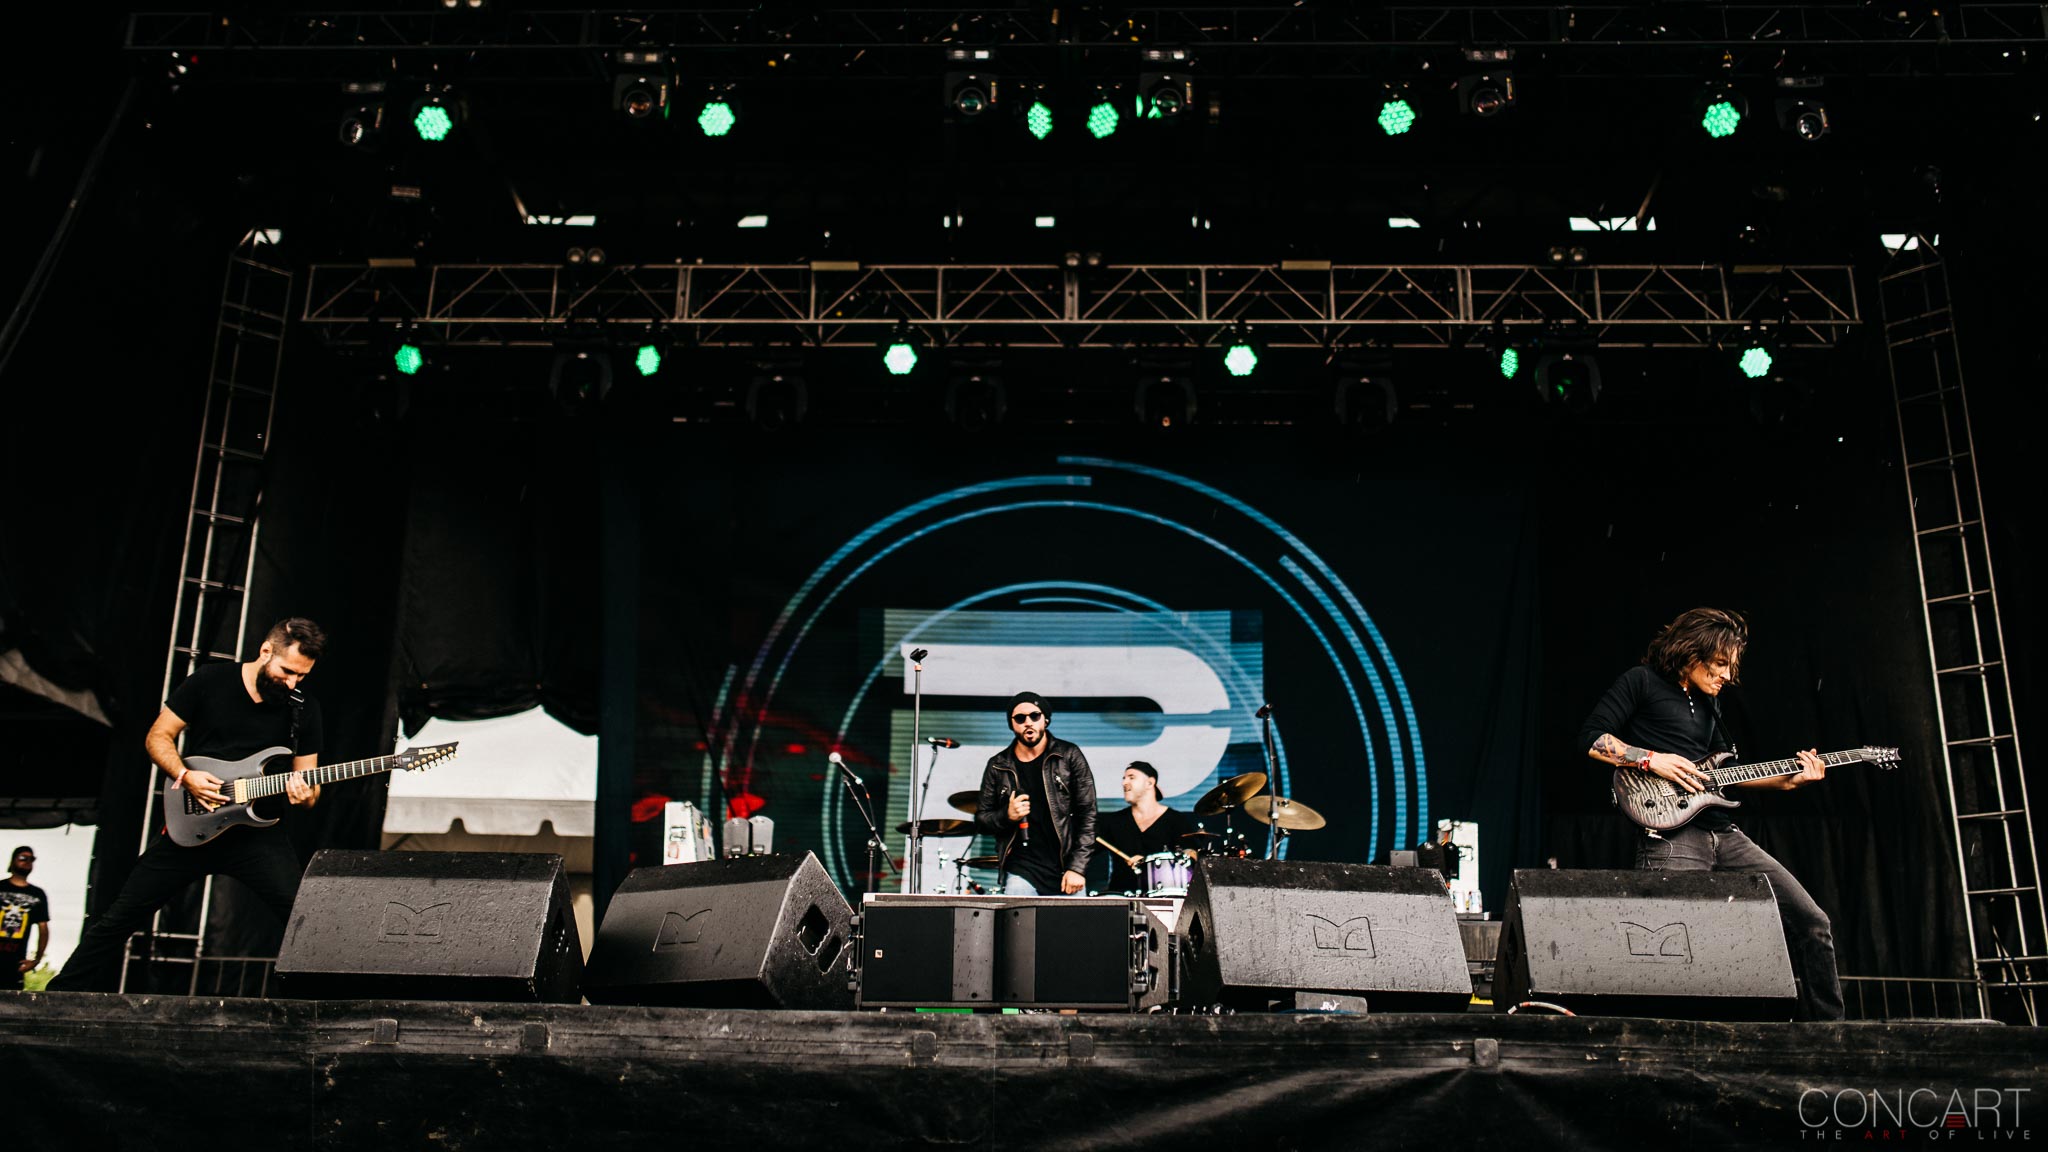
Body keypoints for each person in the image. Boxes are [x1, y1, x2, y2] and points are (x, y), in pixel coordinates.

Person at [1579, 606, 1842, 1021]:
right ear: (1691, 650)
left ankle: (1831, 1041)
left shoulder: (1709, 705)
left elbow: (1725, 774)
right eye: (1720, 664)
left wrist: (1788, 781)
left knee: (1812, 922)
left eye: (1730, 668)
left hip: (1724, 833)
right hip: (1670, 833)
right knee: (1673, 946)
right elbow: (1593, 740)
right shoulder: (1641, 681)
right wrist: (1651, 760)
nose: (1726, 676)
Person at [49, 618, 326, 992]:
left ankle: (321, 1012)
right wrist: (185, 775)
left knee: (305, 919)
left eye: (302, 677)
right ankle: (56, 997)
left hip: (257, 835)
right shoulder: (210, 682)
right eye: (287, 671)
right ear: (266, 651)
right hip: (194, 822)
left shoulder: (304, 709)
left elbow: (308, 783)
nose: (293, 683)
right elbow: (158, 736)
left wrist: (305, 794)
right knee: (119, 917)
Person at [974, 692, 1097, 896]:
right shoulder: (998, 765)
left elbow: (1088, 815)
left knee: (1073, 927)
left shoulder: (1069, 755)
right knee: (1017, 926)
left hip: (1066, 868)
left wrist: (1077, 867)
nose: (1028, 723)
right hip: (1022, 869)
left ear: (1045, 719)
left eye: (1035, 716)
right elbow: (981, 820)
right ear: (1012, 724)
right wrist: (1007, 815)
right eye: (1020, 718)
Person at [1092, 762, 1194, 895]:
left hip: (1163, 898)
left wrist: (1146, 863)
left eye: (1131, 777)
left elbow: (1191, 854)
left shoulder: (1176, 820)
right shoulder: (1113, 821)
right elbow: (1084, 850)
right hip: (1121, 899)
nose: (1124, 783)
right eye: (1124, 778)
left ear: (1150, 783)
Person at [1, 846, 51, 990]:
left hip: (15, 963)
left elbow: (43, 929)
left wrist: (36, 960)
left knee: (9, 1006)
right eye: (23, 858)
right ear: (13, 861)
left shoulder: (37, 894)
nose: (27, 862)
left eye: (31, 859)